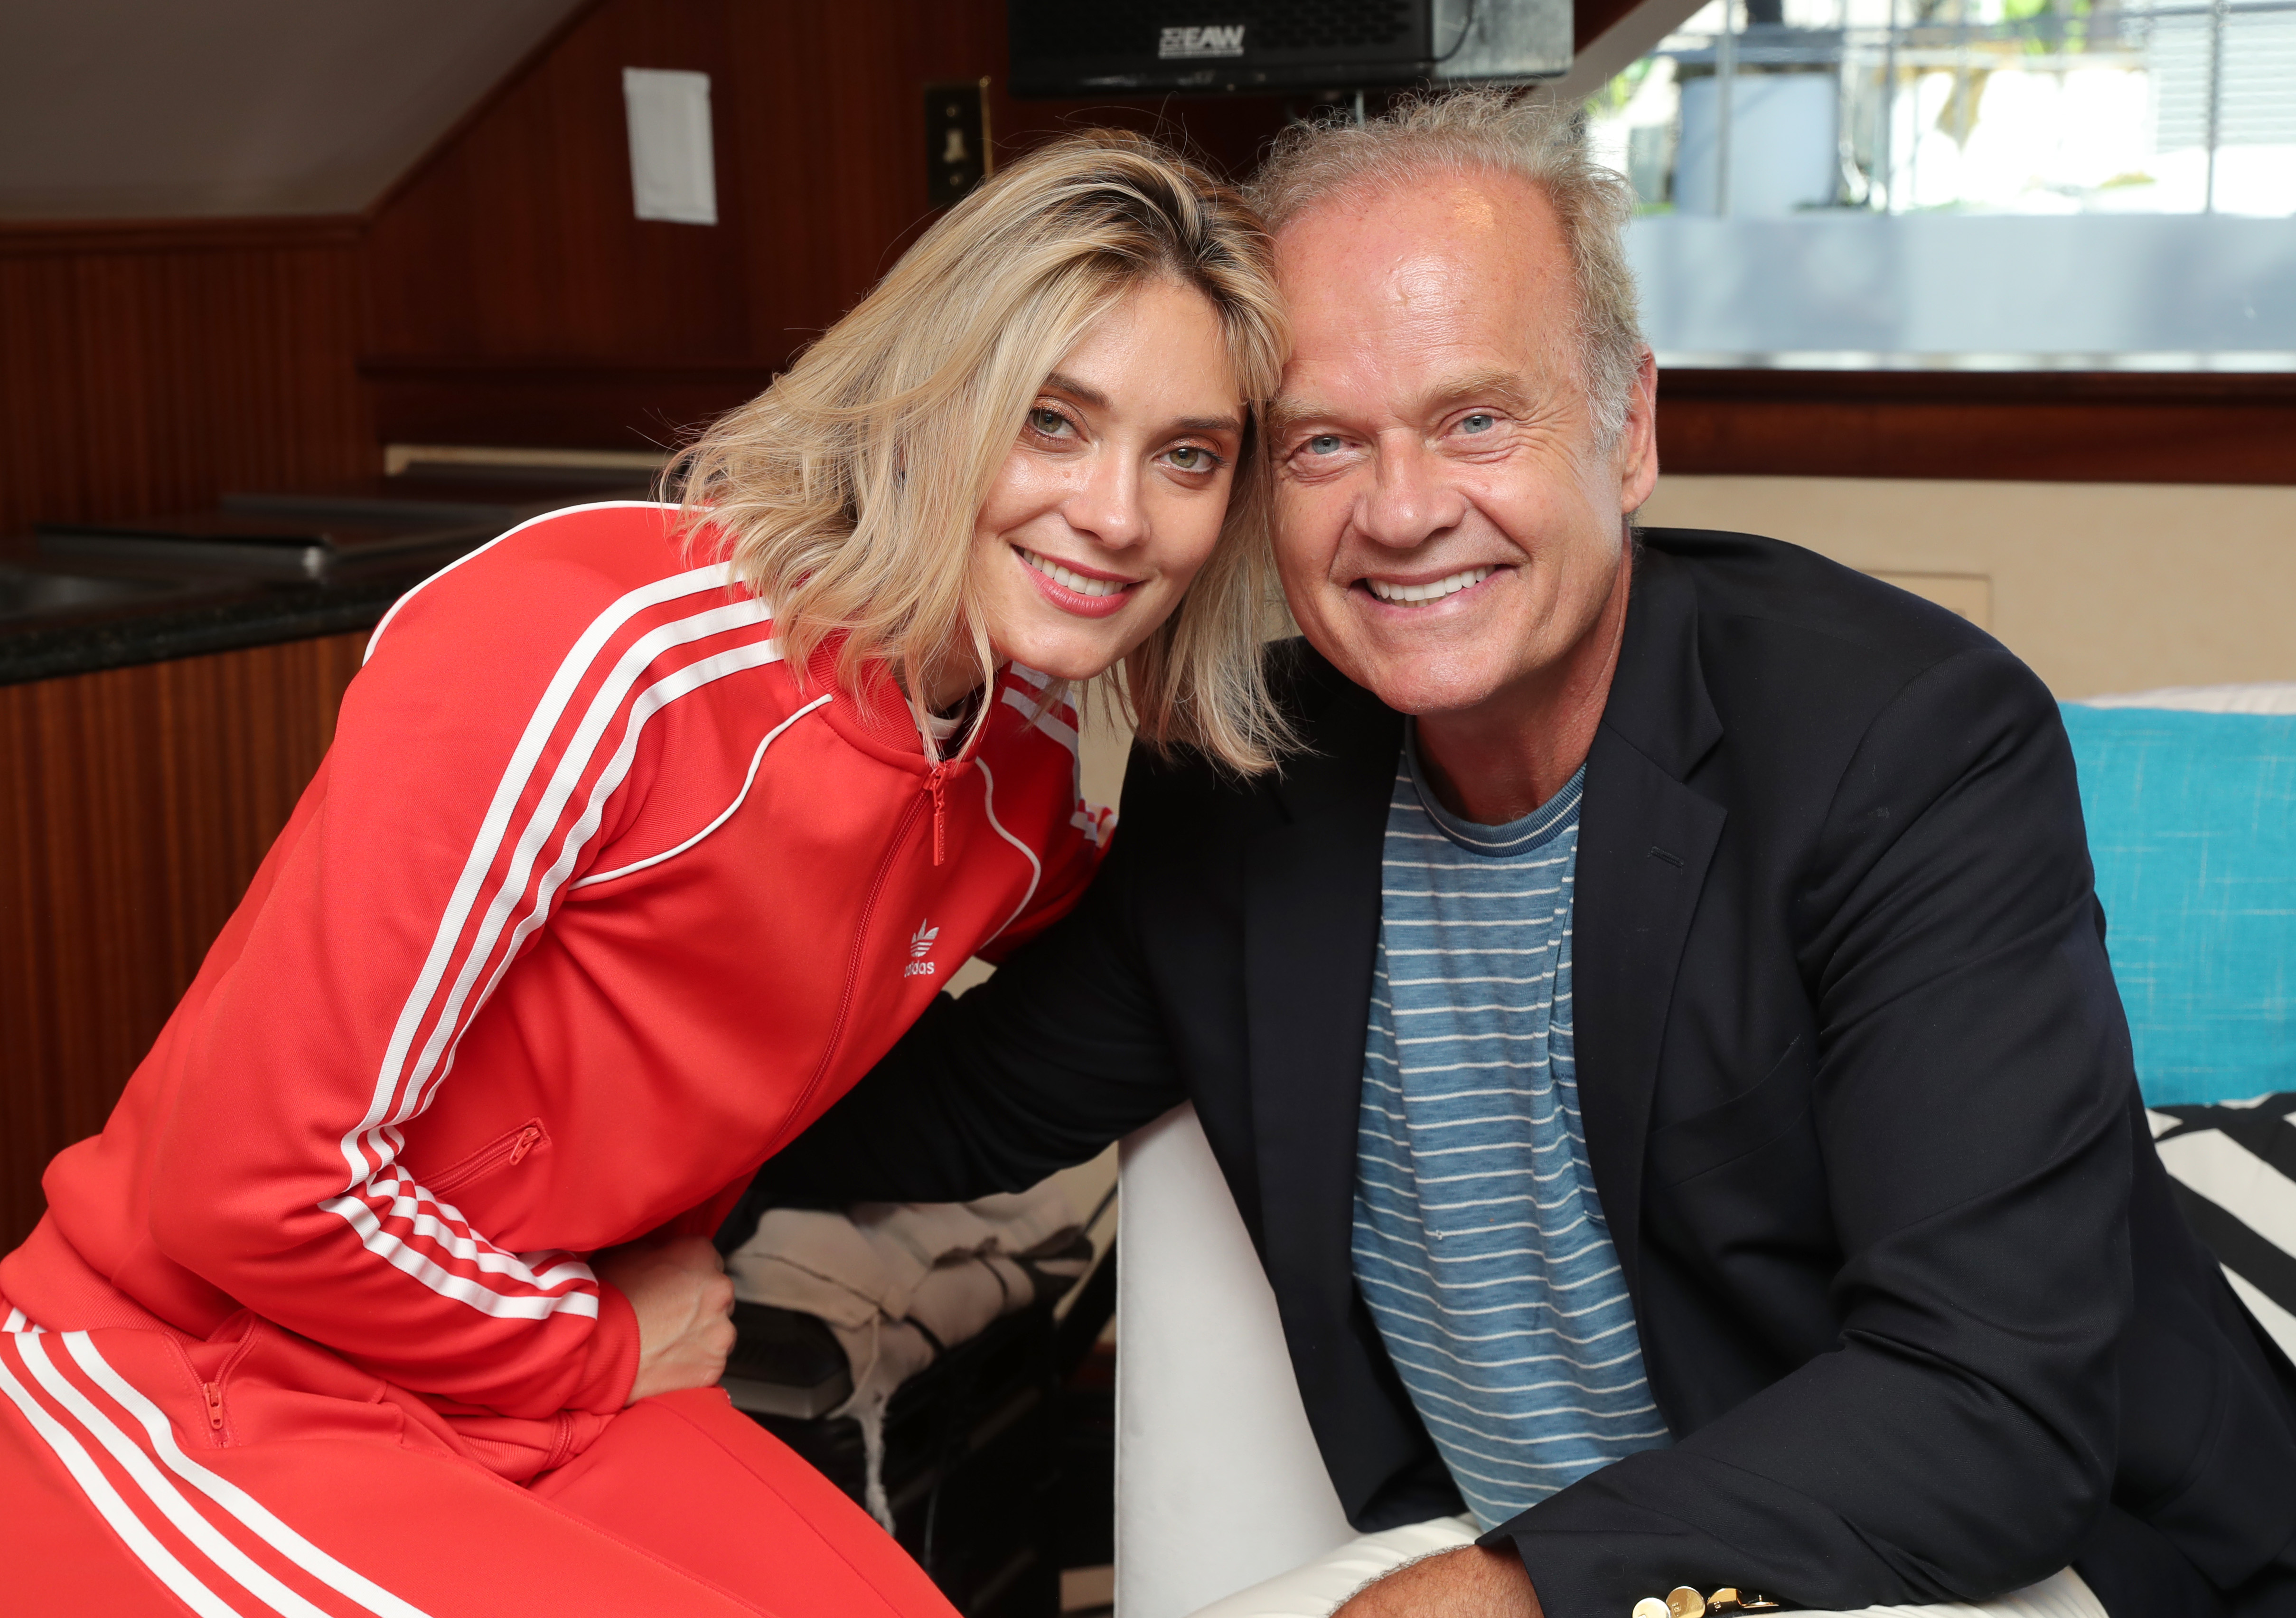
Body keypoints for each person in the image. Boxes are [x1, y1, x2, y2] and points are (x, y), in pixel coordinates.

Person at [742, 93, 2296, 1618]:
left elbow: (1988, 1410)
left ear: (1628, 431)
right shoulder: (1249, 779)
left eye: (1477, 418)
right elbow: (952, 1112)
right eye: (1327, 444)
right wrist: (572, 1194)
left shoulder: (1906, 743)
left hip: (1974, 1556)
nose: (1404, 512)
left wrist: (1509, 1588)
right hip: (1512, 1544)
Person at [0, 131, 1291, 1617]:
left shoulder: (1026, 753)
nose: (1119, 515)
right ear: (932, 402)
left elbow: (1064, 925)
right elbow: (245, 1186)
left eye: (1185, 456)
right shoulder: (598, 651)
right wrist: (595, 1343)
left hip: (552, 1367)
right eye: (1053, 423)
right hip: (216, 1373)